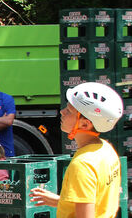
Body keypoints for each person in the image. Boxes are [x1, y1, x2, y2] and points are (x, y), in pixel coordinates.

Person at [29, 82, 123, 218]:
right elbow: (96, 202)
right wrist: (60, 202)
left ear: (85, 124)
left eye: (69, 111)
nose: (62, 112)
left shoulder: (83, 164)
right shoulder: (106, 150)